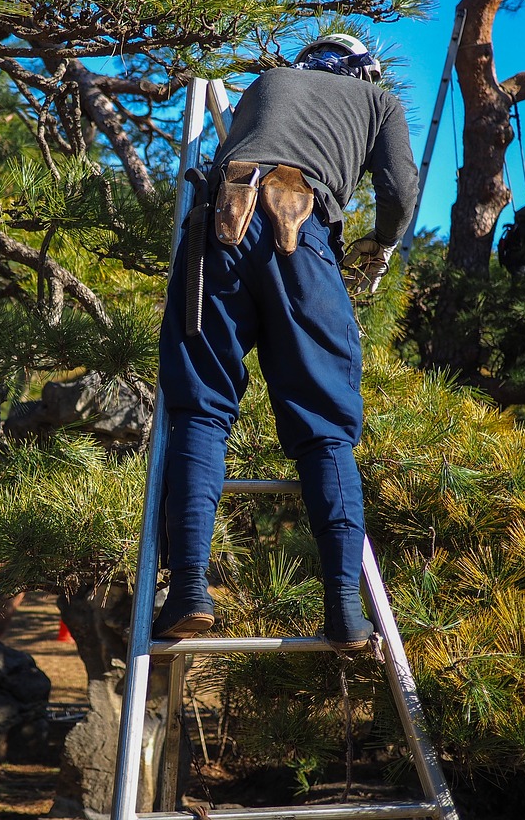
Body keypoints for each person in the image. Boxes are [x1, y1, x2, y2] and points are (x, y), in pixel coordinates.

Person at [153, 33, 418, 651]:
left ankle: (189, 589)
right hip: (306, 237)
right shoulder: (379, 102)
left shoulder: (267, 82)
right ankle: (345, 609)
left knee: (200, 408)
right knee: (325, 426)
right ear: (367, 72)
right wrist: (378, 247)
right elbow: (400, 191)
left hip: (219, 230)